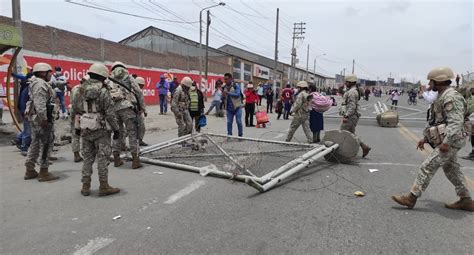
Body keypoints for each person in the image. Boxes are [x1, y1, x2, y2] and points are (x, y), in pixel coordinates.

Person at [392, 67, 474, 211]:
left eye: (431, 82)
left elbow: (455, 122)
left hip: (452, 140)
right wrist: (425, 138)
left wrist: (446, 143)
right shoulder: (443, 95)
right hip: (450, 140)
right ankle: (466, 200)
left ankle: (411, 198)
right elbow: (437, 121)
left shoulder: (451, 97)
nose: (429, 85)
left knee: (427, 166)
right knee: (451, 169)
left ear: (439, 81)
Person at [73, 63, 121, 197]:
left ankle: (85, 186)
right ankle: (104, 186)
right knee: (102, 157)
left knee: (87, 158)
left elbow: (76, 110)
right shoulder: (104, 91)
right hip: (101, 129)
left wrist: (77, 128)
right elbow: (110, 114)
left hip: (85, 128)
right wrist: (116, 129)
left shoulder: (80, 89)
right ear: (103, 76)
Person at [23, 63, 59, 181]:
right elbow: (40, 103)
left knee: (36, 143)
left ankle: (30, 169)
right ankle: (44, 171)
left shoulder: (36, 83)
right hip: (41, 120)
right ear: (44, 73)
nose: (51, 74)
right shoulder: (40, 84)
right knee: (46, 144)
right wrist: (44, 118)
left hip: (36, 119)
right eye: (50, 72)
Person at [110, 61, 145, 169]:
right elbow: (138, 91)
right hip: (127, 108)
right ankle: (135, 160)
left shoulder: (110, 79)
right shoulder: (128, 77)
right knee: (132, 132)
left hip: (114, 109)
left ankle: (116, 159)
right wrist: (141, 107)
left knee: (117, 133)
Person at [340, 74, 371, 157]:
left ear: (350, 82)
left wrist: (346, 116)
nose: (345, 83)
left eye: (346, 82)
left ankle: (343, 151)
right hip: (353, 115)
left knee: (343, 133)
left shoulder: (351, 92)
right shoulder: (354, 90)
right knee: (351, 133)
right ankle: (364, 146)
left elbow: (352, 106)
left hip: (351, 116)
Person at [69, 76, 87, 163]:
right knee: (80, 134)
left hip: (76, 114)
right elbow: (76, 104)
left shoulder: (75, 88)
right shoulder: (80, 90)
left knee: (76, 134)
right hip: (79, 114)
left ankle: (77, 154)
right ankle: (78, 154)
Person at [135, 76, 149, 146]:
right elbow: (142, 102)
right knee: (141, 127)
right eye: (142, 85)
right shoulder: (138, 91)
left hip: (133, 111)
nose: (142, 87)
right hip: (136, 112)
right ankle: (138, 141)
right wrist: (145, 111)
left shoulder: (130, 90)